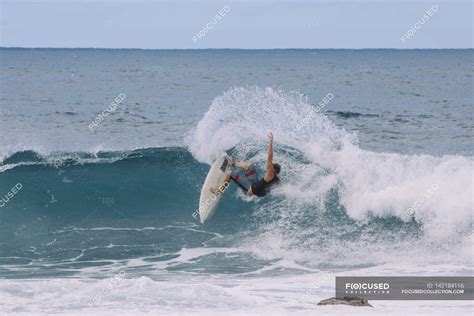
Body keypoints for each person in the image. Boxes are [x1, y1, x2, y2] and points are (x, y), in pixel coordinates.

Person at [211, 132, 281, 197]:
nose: (268, 167)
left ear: (273, 170)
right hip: (254, 184)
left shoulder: (270, 174)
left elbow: (270, 156)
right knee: (250, 166)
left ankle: (219, 191)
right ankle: (232, 163)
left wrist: (271, 141)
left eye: (271, 166)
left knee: (230, 174)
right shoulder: (276, 180)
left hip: (249, 189)